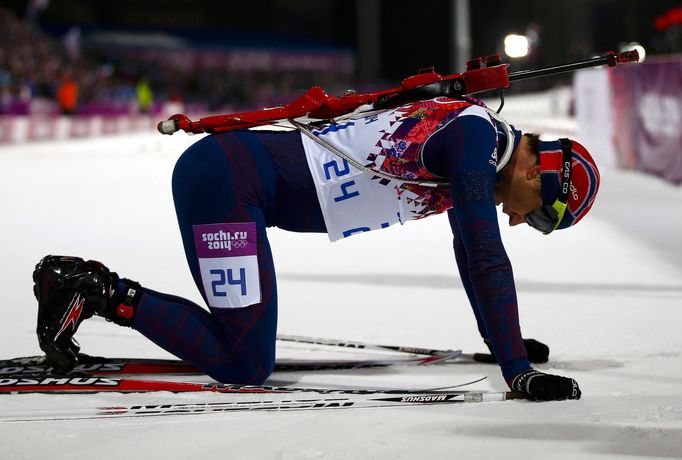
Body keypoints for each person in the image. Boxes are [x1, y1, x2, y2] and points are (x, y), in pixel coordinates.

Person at [33, 96, 599, 401]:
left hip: (236, 182)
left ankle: (89, 289)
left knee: (247, 354)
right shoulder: (476, 141)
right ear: (543, 175)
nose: (526, 223)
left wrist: (502, 344)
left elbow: (470, 257)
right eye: (547, 218)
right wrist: (515, 371)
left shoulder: (479, 148)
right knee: (246, 364)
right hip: (226, 184)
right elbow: (484, 252)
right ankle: (93, 291)